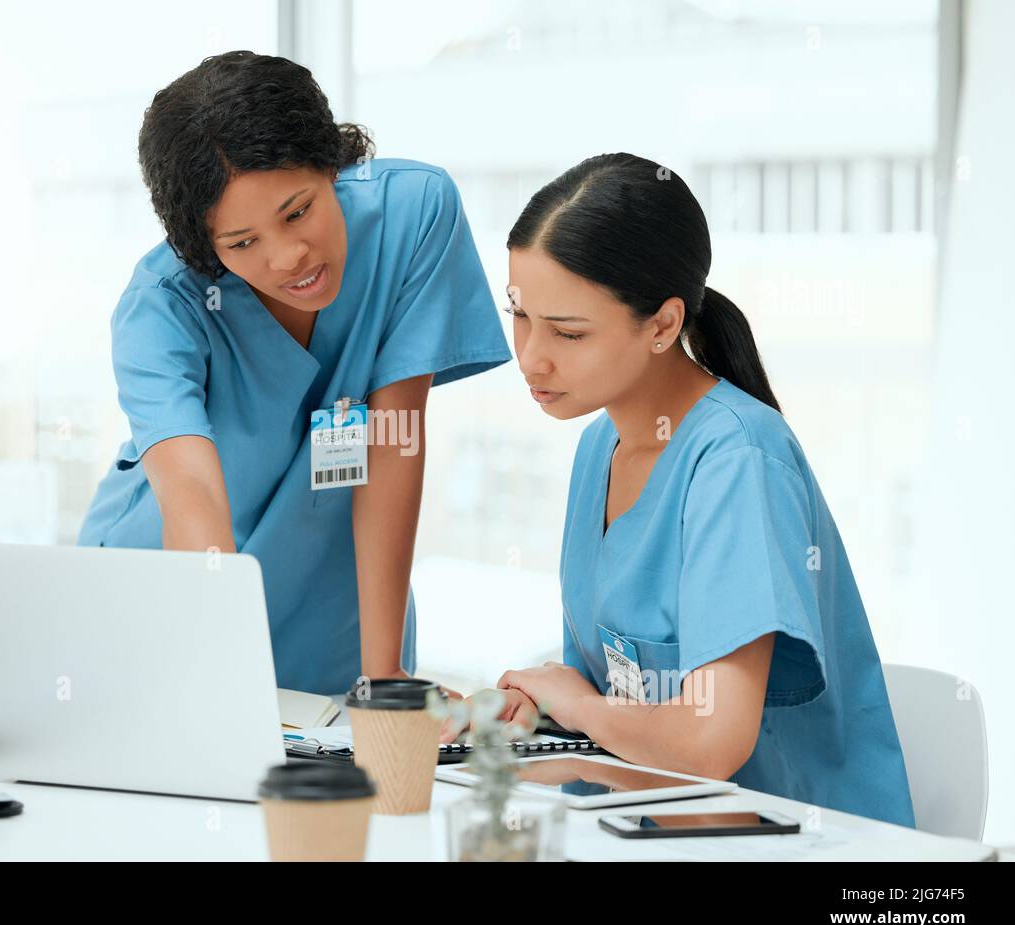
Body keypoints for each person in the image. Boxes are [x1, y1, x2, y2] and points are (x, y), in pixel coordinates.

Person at [471, 152, 915, 827]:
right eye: (520, 314)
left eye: (567, 331)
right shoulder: (602, 446)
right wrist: (545, 703)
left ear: (662, 324)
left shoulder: (738, 461)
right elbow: (622, 684)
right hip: (644, 828)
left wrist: (580, 708)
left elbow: (712, 740)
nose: (531, 355)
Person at [78, 52, 510, 697]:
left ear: (331, 162)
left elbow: (392, 438)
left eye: (298, 211)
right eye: (241, 243)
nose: (288, 258)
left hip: (336, 615)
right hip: (173, 603)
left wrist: (385, 671)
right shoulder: (162, 305)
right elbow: (191, 490)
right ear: (202, 246)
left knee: (363, 780)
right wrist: (213, 672)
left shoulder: (413, 213)